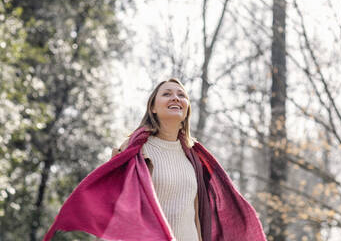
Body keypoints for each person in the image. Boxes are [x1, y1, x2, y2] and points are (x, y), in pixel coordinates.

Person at [43, 78, 266, 241]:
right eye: (167, 94)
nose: (175, 98)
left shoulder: (195, 157)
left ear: (187, 109)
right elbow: (123, 215)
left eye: (181, 95)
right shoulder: (136, 153)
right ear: (153, 107)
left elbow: (196, 216)